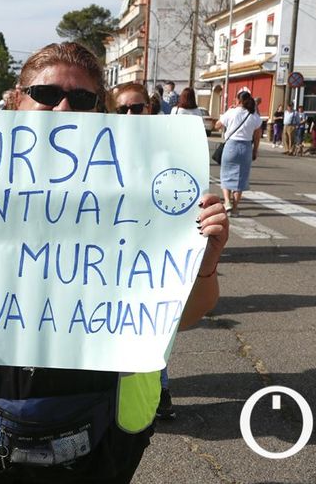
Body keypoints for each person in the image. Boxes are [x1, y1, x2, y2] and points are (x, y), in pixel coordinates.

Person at [0, 42, 229, 483]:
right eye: (47, 94)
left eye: (82, 98)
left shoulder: (142, 194)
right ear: (18, 99)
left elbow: (186, 316)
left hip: (93, 433)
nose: (63, 107)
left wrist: (206, 262)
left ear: (100, 108)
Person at [114, 83, 177, 421]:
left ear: (149, 109)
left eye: (136, 107)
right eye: (121, 109)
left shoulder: (168, 149)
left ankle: (160, 389)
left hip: (150, 254)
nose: (129, 114)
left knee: (153, 326)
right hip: (107, 257)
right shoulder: (95, 146)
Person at [216, 91, 263, 217]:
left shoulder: (231, 112)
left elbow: (217, 125)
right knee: (240, 178)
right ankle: (235, 208)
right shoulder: (254, 116)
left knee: (226, 174)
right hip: (246, 147)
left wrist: (228, 112)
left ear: (238, 100)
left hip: (231, 146)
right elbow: (257, 136)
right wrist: (255, 150)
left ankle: (227, 202)